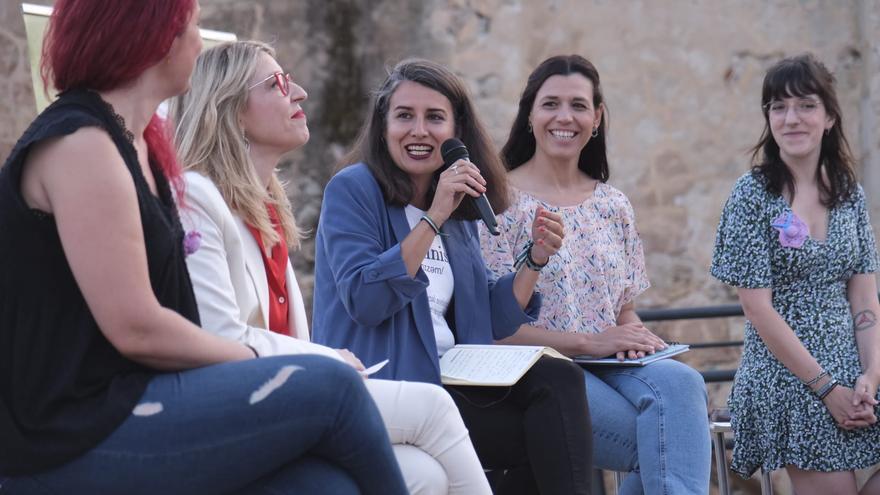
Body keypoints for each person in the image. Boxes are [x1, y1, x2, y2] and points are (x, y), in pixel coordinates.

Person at [0, 2, 408, 494]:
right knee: (334, 388)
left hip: (136, 401)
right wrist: (259, 357)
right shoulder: (81, 143)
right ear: (152, 37)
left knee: (324, 486)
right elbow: (137, 329)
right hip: (68, 431)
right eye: (191, 26)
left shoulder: (143, 146)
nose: (200, 41)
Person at [171, 40, 491, 495]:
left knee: (427, 475)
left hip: (288, 392)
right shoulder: (198, 197)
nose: (299, 91)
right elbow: (222, 336)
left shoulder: (269, 209)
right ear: (232, 108)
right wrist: (328, 359)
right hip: (239, 403)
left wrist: (534, 262)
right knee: (435, 408)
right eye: (278, 83)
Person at [311, 58, 593, 495]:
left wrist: (533, 261)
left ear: (456, 132)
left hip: (459, 379)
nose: (419, 130)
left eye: (435, 117)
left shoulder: (459, 215)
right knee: (549, 439)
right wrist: (435, 214)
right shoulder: (354, 189)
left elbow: (488, 317)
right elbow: (366, 299)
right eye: (404, 116)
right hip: (397, 386)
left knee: (558, 384)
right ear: (383, 126)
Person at [480, 54, 710, 494]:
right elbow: (495, 330)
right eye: (550, 104)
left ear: (597, 117)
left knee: (685, 382)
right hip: (544, 370)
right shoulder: (499, 205)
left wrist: (644, 343)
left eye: (578, 105)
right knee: (670, 440)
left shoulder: (613, 204)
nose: (564, 117)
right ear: (530, 114)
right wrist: (591, 342)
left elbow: (625, 313)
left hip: (611, 365)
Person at [711, 53, 880, 494]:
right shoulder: (752, 196)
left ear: (829, 117)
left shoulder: (850, 194)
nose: (792, 118)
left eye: (806, 105)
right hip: (788, 376)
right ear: (768, 118)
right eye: (779, 107)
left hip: (854, 371)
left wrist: (870, 378)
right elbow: (757, 309)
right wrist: (829, 390)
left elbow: (864, 299)